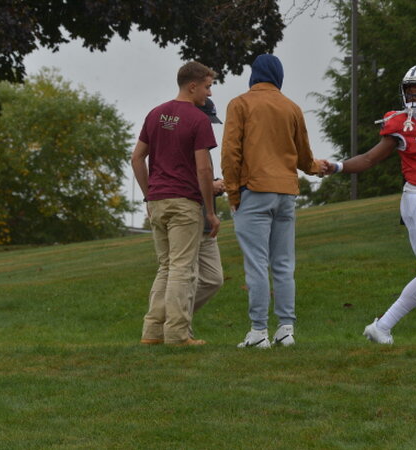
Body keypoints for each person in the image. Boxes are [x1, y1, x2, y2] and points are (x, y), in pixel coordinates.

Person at [323, 64, 416, 344]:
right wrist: (337, 166)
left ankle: (382, 327)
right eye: (410, 90)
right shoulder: (401, 124)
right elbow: (370, 158)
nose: (413, 96)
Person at [221, 53, 324, 349]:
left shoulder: (240, 104)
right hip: (286, 192)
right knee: (283, 264)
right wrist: (318, 168)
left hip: (254, 190)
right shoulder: (291, 107)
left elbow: (230, 153)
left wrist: (233, 193)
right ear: (278, 76)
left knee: (256, 264)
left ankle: (258, 332)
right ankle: (286, 329)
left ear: (254, 74)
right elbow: (304, 156)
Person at [132, 61, 220, 347]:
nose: (209, 93)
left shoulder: (155, 114)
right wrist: (210, 211)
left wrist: (149, 195)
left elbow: (136, 158)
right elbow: (204, 169)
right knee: (182, 268)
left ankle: (152, 332)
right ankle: (178, 335)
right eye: (207, 87)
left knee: (166, 267)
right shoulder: (198, 120)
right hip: (184, 203)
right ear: (192, 86)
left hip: (158, 201)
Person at [189, 98, 226, 338]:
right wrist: (210, 186)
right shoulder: (186, 140)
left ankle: (172, 318)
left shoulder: (204, 145)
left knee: (214, 279)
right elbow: (183, 179)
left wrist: (214, 186)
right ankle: (177, 327)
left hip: (205, 222)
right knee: (186, 278)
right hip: (190, 219)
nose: (209, 125)